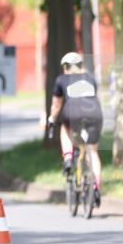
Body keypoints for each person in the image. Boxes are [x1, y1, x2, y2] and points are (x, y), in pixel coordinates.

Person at [47, 51, 103, 207]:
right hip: (95, 113)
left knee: (65, 128)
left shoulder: (62, 79)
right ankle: (95, 187)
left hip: (73, 113)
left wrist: (51, 119)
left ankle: (68, 158)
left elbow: (57, 105)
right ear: (80, 65)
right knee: (92, 151)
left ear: (65, 67)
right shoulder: (91, 78)